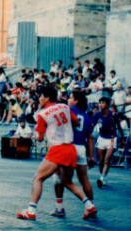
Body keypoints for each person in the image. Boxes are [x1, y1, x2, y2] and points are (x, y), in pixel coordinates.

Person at [16, 86, 97, 221]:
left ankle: (31, 211)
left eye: (40, 96)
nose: (39, 98)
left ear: (47, 98)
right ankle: (89, 205)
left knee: (38, 178)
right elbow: (76, 122)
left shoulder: (42, 114)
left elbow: (40, 138)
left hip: (58, 148)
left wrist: (37, 133)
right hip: (71, 148)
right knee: (68, 182)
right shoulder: (64, 107)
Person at [51, 91, 96, 218]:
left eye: (70, 97)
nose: (68, 99)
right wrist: (91, 156)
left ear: (76, 101)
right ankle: (91, 206)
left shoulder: (67, 110)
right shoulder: (86, 116)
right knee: (84, 180)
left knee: (60, 178)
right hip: (81, 148)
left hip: (68, 147)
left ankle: (60, 207)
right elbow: (90, 138)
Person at [92, 97, 125, 188]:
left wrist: (122, 138)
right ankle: (104, 177)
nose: (100, 104)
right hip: (101, 138)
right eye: (99, 103)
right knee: (101, 161)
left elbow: (119, 127)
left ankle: (102, 178)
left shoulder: (113, 115)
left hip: (111, 139)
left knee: (107, 160)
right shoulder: (97, 115)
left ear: (107, 105)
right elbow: (92, 125)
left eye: (102, 103)